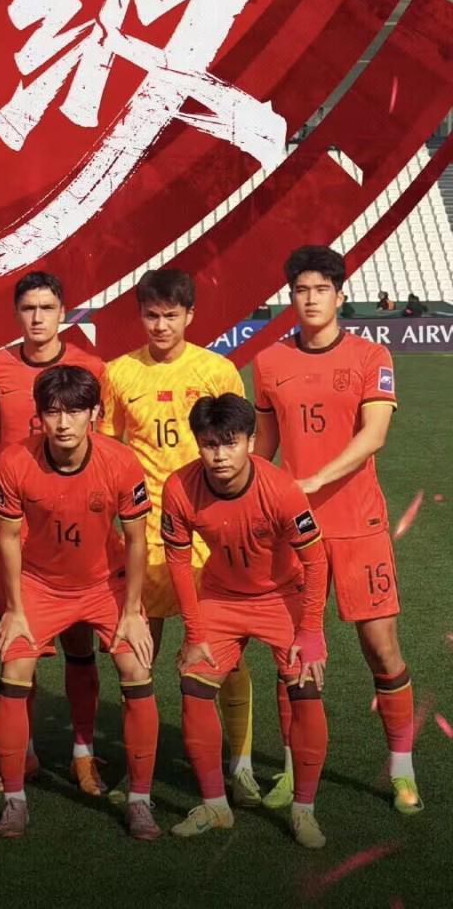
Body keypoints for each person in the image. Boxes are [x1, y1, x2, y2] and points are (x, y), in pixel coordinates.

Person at [254, 245, 421, 815]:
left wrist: (314, 479)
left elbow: (374, 436)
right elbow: (264, 448)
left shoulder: (371, 355)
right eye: (301, 290)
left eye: (321, 289)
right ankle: (291, 769)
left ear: (339, 295)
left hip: (359, 526)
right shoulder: (269, 362)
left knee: (382, 648)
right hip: (296, 532)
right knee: (293, 655)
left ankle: (402, 770)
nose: (310, 299)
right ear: (291, 297)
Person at [99, 269, 259, 806]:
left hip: (207, 534)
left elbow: (240, 451)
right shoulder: (119, 372)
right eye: (152, 315)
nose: (161, 325)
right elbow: (108, 451)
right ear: (140, 316)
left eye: (171, 315)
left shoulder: (217, 370)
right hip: (143, 534)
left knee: (223, 656)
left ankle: (240, 767)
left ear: (190, 315)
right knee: (136, 657)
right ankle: (138, 774)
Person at [0, 366, 159, 841]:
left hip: (104, 584)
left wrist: (133, 611)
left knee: (136, 667)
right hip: (40, 584)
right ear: (38, 416)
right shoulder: (15, 460)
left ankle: (140, 800)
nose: (63, 423)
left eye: (74, 411)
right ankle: (14, 800)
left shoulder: (120, 461)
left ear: (95, 414)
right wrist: (15, 609)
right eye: (52, 412)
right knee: (15, 666)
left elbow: (136, 540)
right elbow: (7, 538)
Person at [163, 394, 329, 849]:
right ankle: (215, 806)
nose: (219, 455)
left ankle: (304, 811)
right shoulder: (179, 488)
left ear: (251, 442)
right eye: (209, 443)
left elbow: (316, 561)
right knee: (194, 684)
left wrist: (311, 632)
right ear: (198, 444)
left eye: (230, 442)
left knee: (306, 688)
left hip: (282, 596)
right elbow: (178, 563)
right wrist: (194, 633)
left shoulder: (282, 490)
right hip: (221, 596)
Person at [0, 272, 106, 794]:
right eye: (28, 308)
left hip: (78, 533)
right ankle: (25, 754)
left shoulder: (90, 367)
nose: (37, 317)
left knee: (81, 646)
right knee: (20, 648)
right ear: (17, 313)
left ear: (63, 311)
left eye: (47, 307)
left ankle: (83, 753)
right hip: (18, 531)